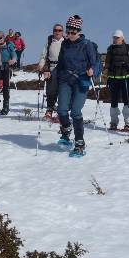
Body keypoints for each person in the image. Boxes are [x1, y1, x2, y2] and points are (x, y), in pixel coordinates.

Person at [42, 14, 96, 157]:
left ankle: (79, 143)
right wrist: (50, 73)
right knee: (61, 110)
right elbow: (60, 63)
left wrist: (93, 70)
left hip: (81, 81)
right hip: (65, 80)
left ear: (79, 31)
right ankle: (66, 130)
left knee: (76, 111)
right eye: (69, 31)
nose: (70, 34)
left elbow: (95, 63)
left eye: (74, 32)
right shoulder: (65, 44)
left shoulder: (87, 44)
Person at [104, 30, 129, 131]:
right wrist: (106, 74)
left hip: (125, 78)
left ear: (122, 38)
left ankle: (128, 122)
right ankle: (113, 122)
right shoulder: (110, 49)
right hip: (113, 78)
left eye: (117, 37)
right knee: (113, 101)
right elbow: (107, 63)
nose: (115, 39)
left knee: (127, 100)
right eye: (114, 37)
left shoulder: (127, 48)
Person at [37, 23, 65, 120]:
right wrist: (41, 66)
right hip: (51, 68)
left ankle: (61, 113)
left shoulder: (66, 42)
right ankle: (49, 110)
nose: (57, 32)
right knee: (51, 90)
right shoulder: (49, 42)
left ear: (62, 32)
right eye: (55, 30)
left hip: (63, 69)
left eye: (59, 30)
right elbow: (43, 55)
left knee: (62, 91)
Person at [0, 31, 17, 114]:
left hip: (7, 67)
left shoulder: (9, 45)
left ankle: (6, 106)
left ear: (3, 37)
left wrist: (13, 60)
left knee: (6, 87)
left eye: (0, 38)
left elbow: (14, 54)